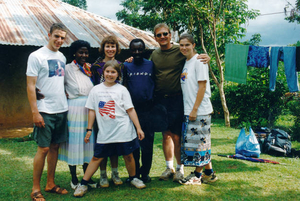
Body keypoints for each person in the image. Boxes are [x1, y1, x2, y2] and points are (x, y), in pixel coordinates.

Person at [73, 60, 146, 197]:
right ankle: (83, 184)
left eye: (113, 72)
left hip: (123, 129)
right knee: (97, 157)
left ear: (118, 75)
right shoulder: (96, 90)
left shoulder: (122, 90)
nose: (110, 74)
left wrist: (138, 128)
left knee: (128, 155)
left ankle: (133, 178)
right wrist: (89, 129)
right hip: (105, 132)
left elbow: (130, 110)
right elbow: (92, 111)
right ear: (103, 73)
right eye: (108, 71)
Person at [150, 23, 210, 182]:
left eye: (165, 34)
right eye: (159, 35)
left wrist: (206, 57)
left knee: (177, 136)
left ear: (170, 35)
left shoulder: (180, 49)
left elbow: (195, 57)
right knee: (166, 135)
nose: (162, 37)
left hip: (177, 98)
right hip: (160, 99)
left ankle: (179, 169)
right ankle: (168, 167)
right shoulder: (154, 54)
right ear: (155, 38)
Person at [26, 23, 69, 201]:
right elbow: (30, 85)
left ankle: (50, 183)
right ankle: (35, 189)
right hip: (45, 110)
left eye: (62, 38)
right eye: (56, 36)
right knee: (43, 149)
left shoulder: (62, 57)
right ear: (49, 35)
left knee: (54, 147)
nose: (59, 40)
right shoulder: (36, 56)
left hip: (62, 108)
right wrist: (35, 112)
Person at [177, 33, 217, 185]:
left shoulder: (199, 61)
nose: (184, 47)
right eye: (181, 45)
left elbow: (202, 87)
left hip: (200, 110)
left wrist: (194, 109)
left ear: (193, 45)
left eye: (187, 44)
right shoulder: (187, 61)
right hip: (190, 109)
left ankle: (197, 176)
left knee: (199, 144)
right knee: (200, 143)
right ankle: (209, 173)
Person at [58, 40, 97, 190]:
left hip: (89, 109)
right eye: (81, 52)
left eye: (86, 52)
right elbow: (56, 84)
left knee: (88, 143)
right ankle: (74, 178)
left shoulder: (89, 68)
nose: (84, 55)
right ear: (74, 52)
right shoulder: (67, 68)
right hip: (74, 108)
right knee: (74, 143)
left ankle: (87, 176)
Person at [90, 35, 123, 187]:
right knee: (102, 142)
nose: (110, 49)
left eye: (113, 46)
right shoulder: (95, 66)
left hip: (116, 110)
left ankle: (115, 173)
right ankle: (103, 175)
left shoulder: (122, 66)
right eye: (107, 46)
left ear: (117, 48)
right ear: (103, 48)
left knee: (114, 142)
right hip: (101, 110)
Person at [123, 38, 155, 183]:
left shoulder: (151, 65)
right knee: (134, 144)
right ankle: (134, 174)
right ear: (130, 51)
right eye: (134, 50)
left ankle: (145, 173)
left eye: (139, 49)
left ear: (144, 50)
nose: (137, 52)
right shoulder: (126, 66)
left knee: (147, 145)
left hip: (148, 110)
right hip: (131, 111)